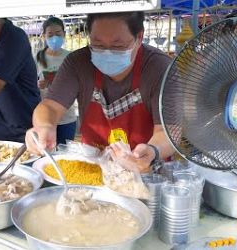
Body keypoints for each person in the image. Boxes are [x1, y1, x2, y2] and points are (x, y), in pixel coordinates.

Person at [25, 11, 175, 172]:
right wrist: (44, 126)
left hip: (147, 172)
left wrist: (153, 150)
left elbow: (169, 131)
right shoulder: (78, 63)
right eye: (98, 45)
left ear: (139, 37)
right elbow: (50, 106)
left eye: (118, 46)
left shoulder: (160, 68)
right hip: (95, 169)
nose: (107, 52)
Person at [35, 17, 78, 145]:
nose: (55, 38)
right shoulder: (37, 58)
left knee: (65, 153)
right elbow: (30, 84)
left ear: (64, 34)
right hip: (45, 117)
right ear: (44, 36)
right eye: (50, 34)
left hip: (67, 117)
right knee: (46, 152)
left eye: (58, 34)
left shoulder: (71, 57)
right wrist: (38, 85)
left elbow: (79, 84)